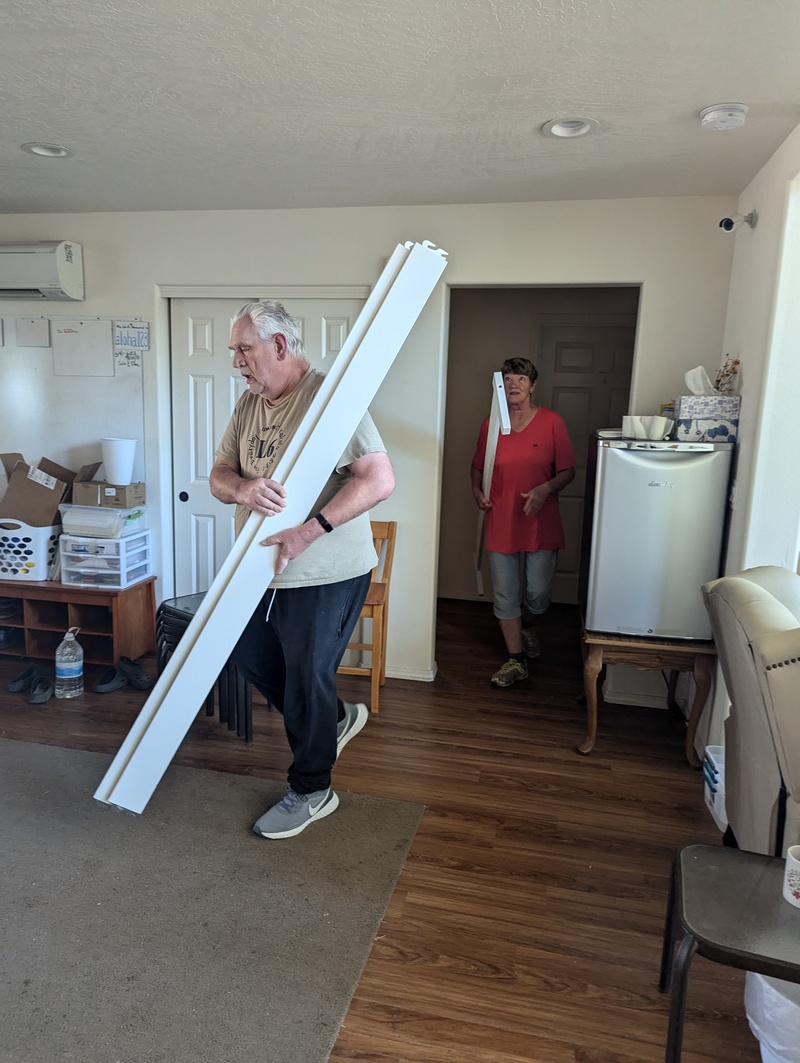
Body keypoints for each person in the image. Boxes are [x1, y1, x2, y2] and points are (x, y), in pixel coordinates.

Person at [209, 300, 395, 839]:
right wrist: (243, 488)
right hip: (259, 567)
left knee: (306, 675)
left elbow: (377, 480)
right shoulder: (249, 405)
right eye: (234, 351)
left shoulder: (331, 399)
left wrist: (307, 530)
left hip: (327, 569)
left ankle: (313, 788)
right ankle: (334, 719)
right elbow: (219, 474)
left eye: (244, 349)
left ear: (280, 346)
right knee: (246, 653)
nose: (237, 362)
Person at [471, 357, 576, 688]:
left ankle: (528, 623)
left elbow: (568, 471)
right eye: (507, 379)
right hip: (501, 519)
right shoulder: (491, 425)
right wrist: (477, 491)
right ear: (499, 387)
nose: (513, 383)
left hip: (539, 521)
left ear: (533, 385)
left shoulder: (552, 423)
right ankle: (516, 660)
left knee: (538, 592)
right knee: (505, 594)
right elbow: (477, 467)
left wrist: (545, 489)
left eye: (520, 378)